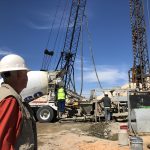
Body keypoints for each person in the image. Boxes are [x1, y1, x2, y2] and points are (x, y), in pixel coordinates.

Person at [0, 54, 37, 150]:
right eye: (26, 74)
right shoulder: (9, 100)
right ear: (18, 75)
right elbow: (4, 143)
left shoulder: (7, 95)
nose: (27, 78)